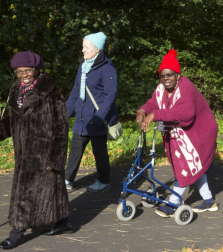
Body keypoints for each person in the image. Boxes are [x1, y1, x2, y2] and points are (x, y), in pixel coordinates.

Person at [0, 51, 72, 250]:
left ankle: (16, 233)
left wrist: (55, 158)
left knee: (30, 192)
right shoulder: (17, 90)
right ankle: (63, 221)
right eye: (19, 71)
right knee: (50, 190)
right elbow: (13, 118)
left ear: (36, 70)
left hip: (45, 150)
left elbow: (61, 126)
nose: (23, 75)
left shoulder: (51, 91)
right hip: (23, 151)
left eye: (27, 71)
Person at [137, 48, 218, 217]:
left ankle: (173, 204)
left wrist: (155, 115)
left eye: (170, 75)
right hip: (182, 132)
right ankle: (209, 201)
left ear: (178, 75)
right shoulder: (162, 89)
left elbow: (185, 114)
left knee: (185, 166)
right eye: (162, 75)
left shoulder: (186, 89)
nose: (166, 79)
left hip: (200, 133)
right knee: (193, 167)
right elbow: (153, 102)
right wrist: (143, 111)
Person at [64, 32, 118, 192]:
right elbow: (75, 91)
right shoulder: (83, 66)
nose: (83, 50)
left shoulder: (107, 69)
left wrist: (99, 117)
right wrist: (64, 114)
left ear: (97, 50)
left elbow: (110, 96)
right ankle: (67, 180)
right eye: (83, 46)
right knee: (75, 150)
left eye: (86, 47)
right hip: (81, 119)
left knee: (99, 152)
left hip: (96, 119)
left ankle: (104, 181)